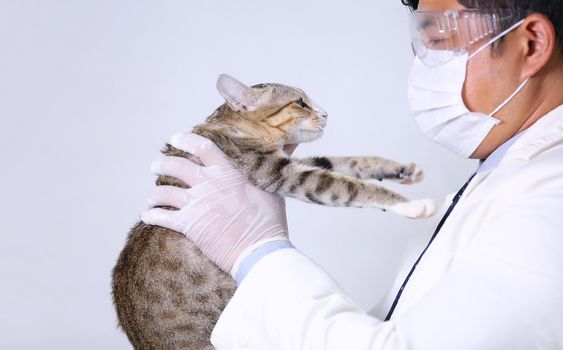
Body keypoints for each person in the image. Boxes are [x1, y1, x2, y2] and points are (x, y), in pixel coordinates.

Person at [141, 0, 563, 348]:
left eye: (439, 41)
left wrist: (257, 255)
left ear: (531, 45)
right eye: (421, 44)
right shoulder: (503, 176)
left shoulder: (550, 198)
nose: (423, 66)